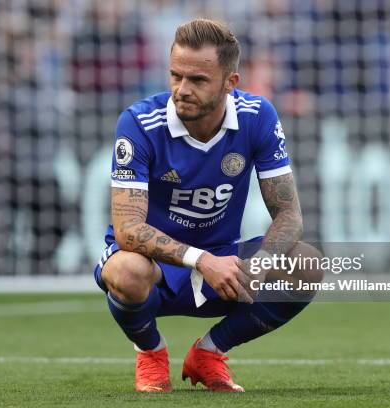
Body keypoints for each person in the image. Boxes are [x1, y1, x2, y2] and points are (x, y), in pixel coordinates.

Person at [94, 18, 323, 393]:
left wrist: (260, 265)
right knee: (126, 272)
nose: (182, 90)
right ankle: (150, 351)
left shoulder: (257, 117)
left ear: (230, 83)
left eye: (198, 80)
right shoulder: (139, 123)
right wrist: (201, 260)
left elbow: (289, 215)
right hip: (155, 267)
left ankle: (209, 352)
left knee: (307, 264)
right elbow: (128, 230)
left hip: (222, 263)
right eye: (175, 76)